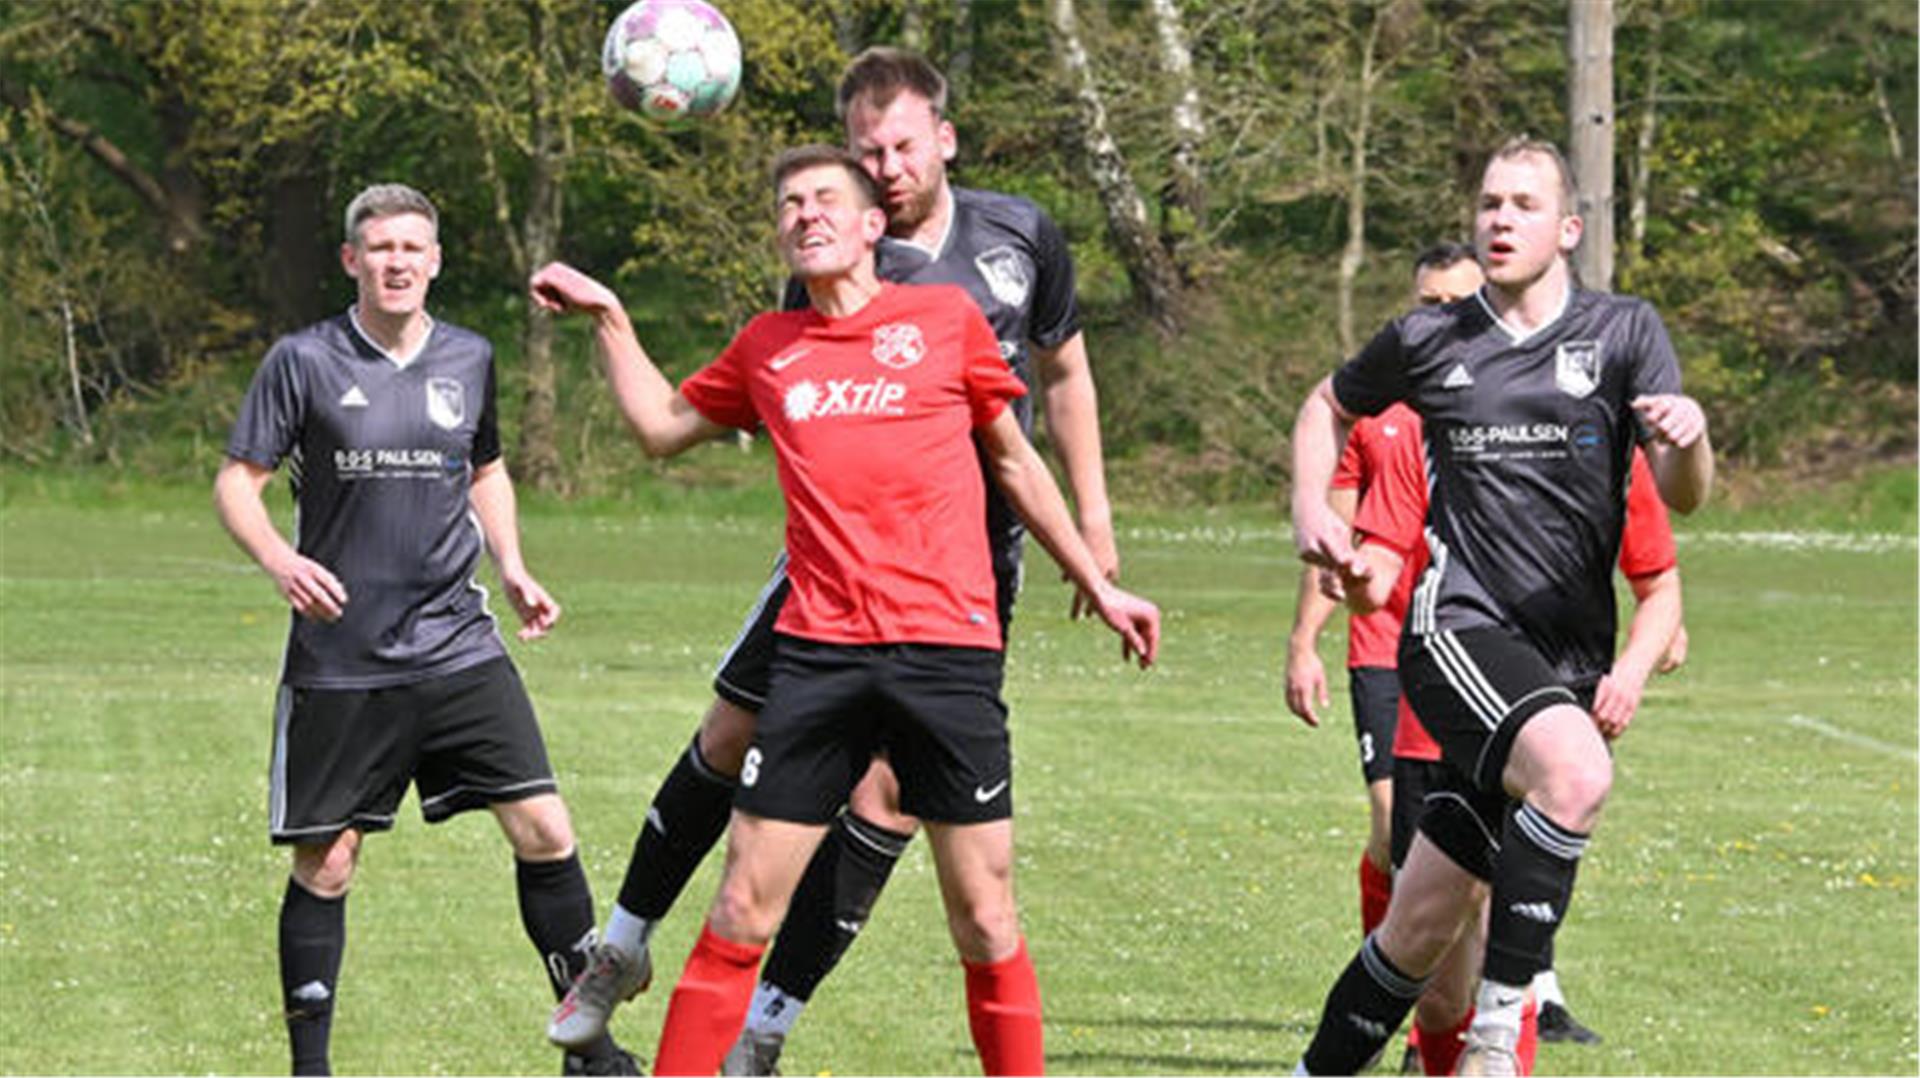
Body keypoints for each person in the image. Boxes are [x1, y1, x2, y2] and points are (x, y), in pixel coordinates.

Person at [545, 48, 1121, 1076]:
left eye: (835, 192)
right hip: (819, 643)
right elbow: (661, 426)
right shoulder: (775, 340)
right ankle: (629, 951)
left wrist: (1096, 565)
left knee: (985, 914)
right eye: (795, 200)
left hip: (952, 635)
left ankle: (763, 1029)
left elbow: (1016, 450)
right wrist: (611, 319)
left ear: (877, 220)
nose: (813, 209)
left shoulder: (955, 313)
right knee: (738, 889)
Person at [1289, 136, 1713, 1076]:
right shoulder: (1429, 337)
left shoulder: (1623, 333)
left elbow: (1682, 496)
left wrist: (1690, 439)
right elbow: (1325, 407)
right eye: (1488, 203)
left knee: (1417, 929)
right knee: (1576, 775)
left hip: (1563, 662)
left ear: (1566, 229)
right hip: (1455, 633)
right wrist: (1309, 506)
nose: (1499, 220)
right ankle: (1495, 1044)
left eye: (1523, 204)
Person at [212, 183, 637, 1076]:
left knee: (546, 831)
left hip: (457, 644)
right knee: (327, 865)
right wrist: (279, 563)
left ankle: (591, 1053)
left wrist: (512, 565)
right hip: (343, 658)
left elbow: (484, 470)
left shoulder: (470, 358)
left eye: (413, 247)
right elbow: (236, 483)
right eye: (381, 248)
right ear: (351, 261)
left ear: (435, 260)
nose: (397, 261)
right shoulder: (303, 360)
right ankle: (311, 1069)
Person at [1284, 243, 1487, 944]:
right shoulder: (1372, 411)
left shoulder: (1508, 406)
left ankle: (1515, 992)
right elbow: (1337, 537)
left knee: (1485, 824)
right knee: (1393, 820)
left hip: (1475, 641)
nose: (1442, 316)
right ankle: (1394, 977)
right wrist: (1305, 640)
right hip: (1385, 642)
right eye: (1428, 303)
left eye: (1457, 304)